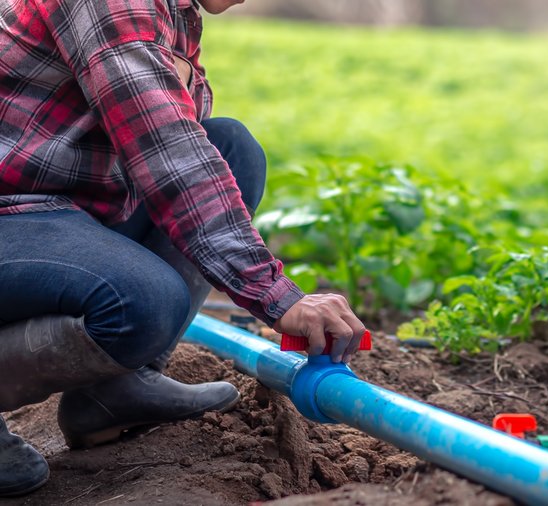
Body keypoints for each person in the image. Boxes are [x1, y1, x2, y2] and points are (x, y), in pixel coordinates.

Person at [0, 0, 366, 496]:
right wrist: (278, 297)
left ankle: (113, 393)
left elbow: (182, 129)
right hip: (13, 210)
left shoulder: (175, 10)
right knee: (142, 302)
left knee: (230, 146)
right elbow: (169, 151)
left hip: (57, 206)